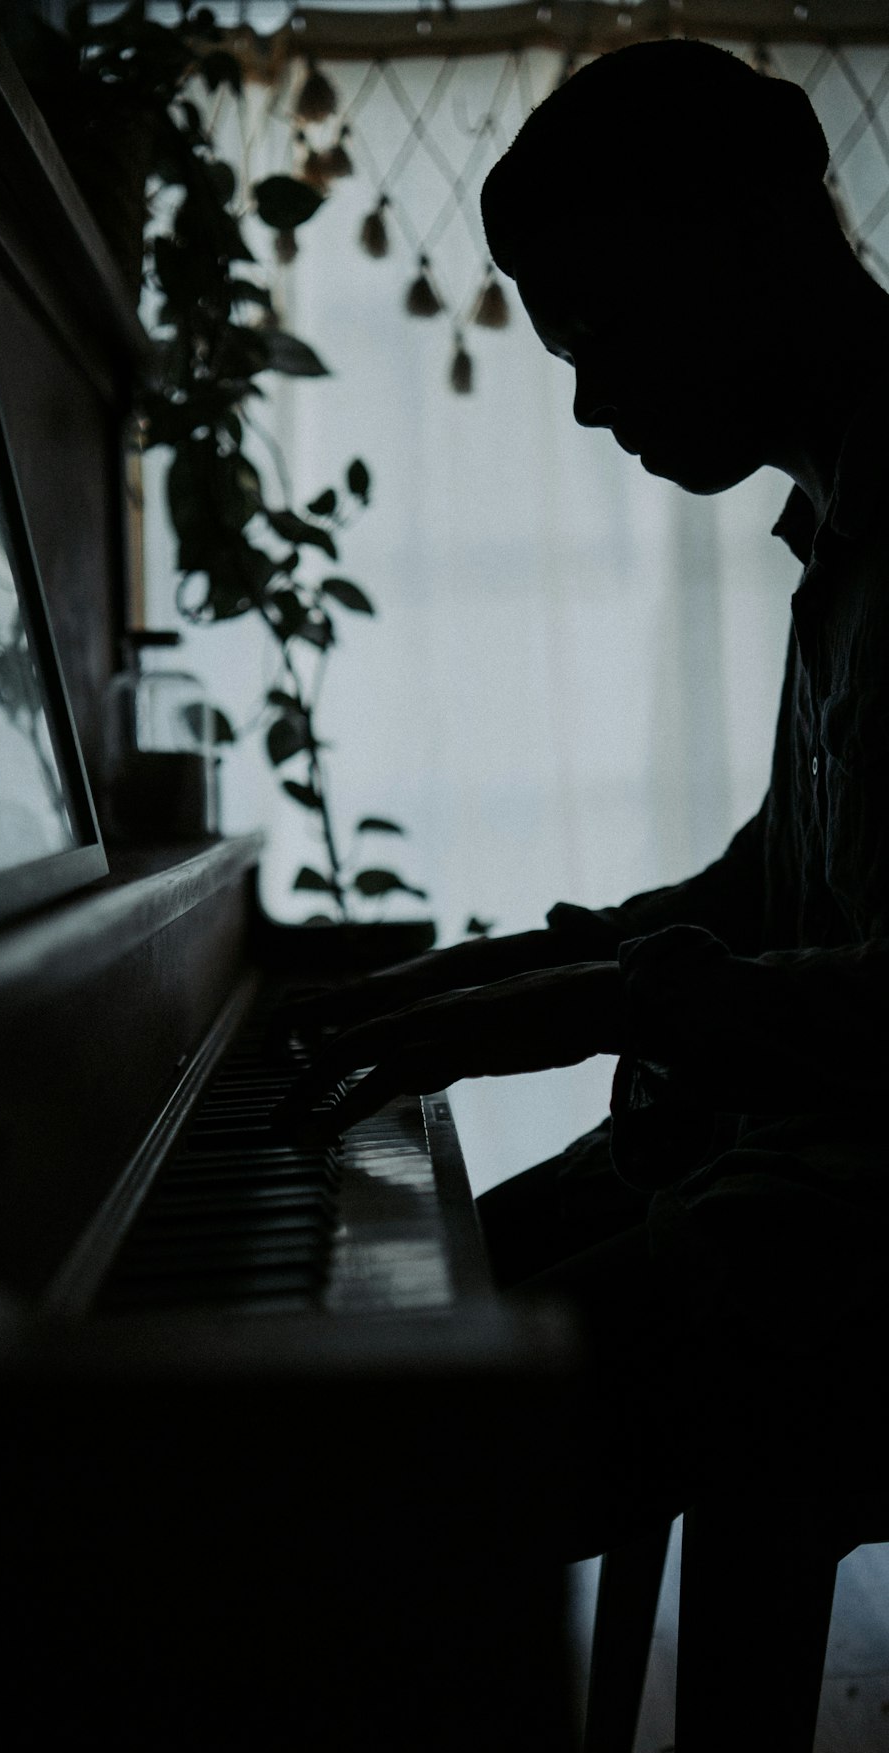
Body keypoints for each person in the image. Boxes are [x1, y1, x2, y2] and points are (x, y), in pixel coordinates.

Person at [276, 39, 889, 1561]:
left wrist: (604, 1005)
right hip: (805, 1170)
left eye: (603, 332)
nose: (590, 404)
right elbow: (772, 885)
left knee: (377, 1457)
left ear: (748, 236)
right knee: (400, 1303)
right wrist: (485, 977)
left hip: (857, 1234)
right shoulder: (840, 520)